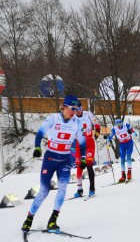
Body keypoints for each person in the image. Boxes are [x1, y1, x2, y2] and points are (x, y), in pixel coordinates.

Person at [21, 95, 85, 233]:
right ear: (65, 107)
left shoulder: (77, 123)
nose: (74, 111)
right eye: (72, 108)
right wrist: (37, 148)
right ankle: (28, 220)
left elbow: (82, 142)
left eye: (77, 109)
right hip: (50, 159)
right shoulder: (53, 118)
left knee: (62, 188)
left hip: (65, 160)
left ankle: (53, 221)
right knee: (44, 191)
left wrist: (83, 157)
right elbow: (39, 134)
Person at [73, 101, 101, 198]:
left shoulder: (88, 114)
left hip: (89, 142)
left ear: (82, 108)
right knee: (79, 166)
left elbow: (97, 126)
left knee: (89, 164)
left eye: (79, 109)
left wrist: (97, 133)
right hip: (79, 145)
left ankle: (92, 188)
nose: (78, 112)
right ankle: (80, 190)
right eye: (76, 110)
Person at [107, 118, 137, 182]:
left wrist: (132, 132)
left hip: (129, 143)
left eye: (119, 124)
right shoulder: (114, 129)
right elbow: (110, 136)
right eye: (117, 124)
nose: (118, 125)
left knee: (128, 157)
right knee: (122, 159)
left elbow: (134, 132)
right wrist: (108, 141)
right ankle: (123, 175)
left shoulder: (126, 125)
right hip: (122, 144)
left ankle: (129, 173)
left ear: (121, 123)